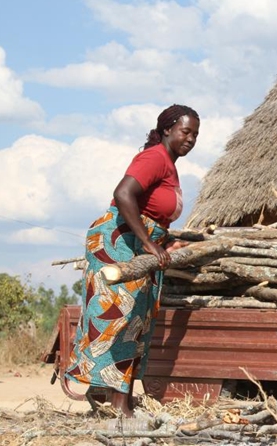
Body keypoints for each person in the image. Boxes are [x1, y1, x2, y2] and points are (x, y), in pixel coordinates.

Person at [65, 104, 200, 417]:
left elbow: (152, 213)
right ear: (167, 129)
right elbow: (123, 194)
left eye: (195, 134)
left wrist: (163, 240)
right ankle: (116, 403)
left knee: (137, 322)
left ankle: (115, 401)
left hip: (136, 244)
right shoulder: (154, 157)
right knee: (119, 318)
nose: (191, 139)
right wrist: (149, 243)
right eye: (185, 131)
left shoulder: (168, 164)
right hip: (117, 243)